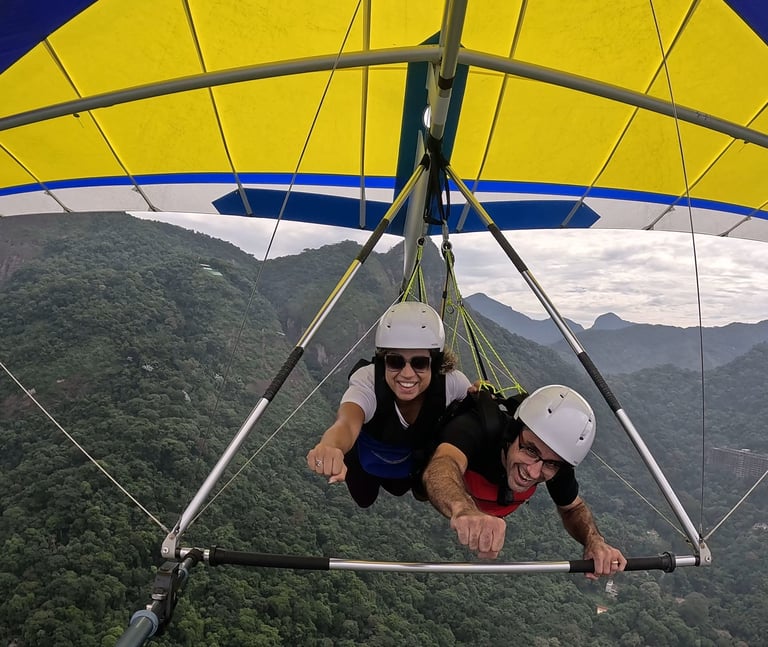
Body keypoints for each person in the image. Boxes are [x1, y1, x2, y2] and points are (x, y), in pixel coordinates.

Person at [423, 384, 626, 578]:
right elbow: (442, 465)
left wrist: (594, 540)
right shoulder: (476, 428)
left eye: (550, 464)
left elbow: (572, 508)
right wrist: (463, 509)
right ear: (512, 434)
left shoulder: (555, 463)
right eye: (530, 450)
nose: (533, 471)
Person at [307, 301, 471, 507]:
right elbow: (347, 422)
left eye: (419, 362)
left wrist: (479, 397)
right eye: (396, 361)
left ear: (435, 364)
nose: (407, 373)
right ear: (383, 361)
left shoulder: (451, 383)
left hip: (406, 458)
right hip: (366, 457)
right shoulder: (367, 381)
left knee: (401, 488)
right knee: (364, 498)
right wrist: (331, 447)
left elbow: (471, 419)